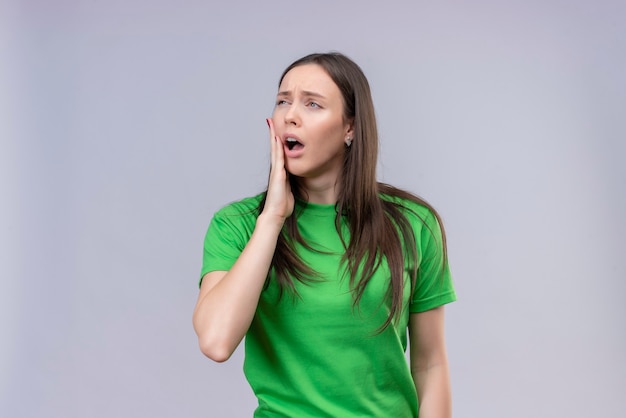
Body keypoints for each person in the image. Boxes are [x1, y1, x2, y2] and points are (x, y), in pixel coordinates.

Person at [193, 52, 456, 417]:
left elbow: (431, 365)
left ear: (350, 127)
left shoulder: (414, 224)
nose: (290, 115)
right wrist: (272, 217)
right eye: (283, 100)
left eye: (312, 104)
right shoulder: (237, 225)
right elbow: (216, 341)